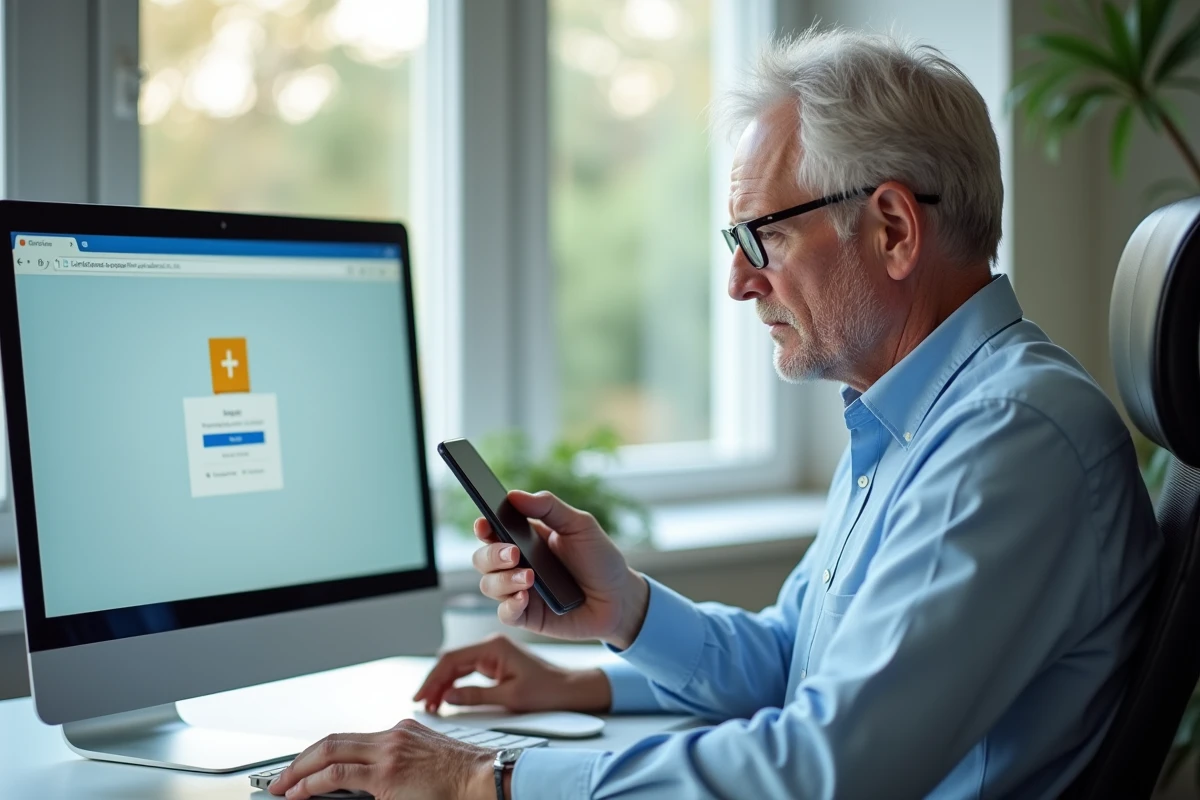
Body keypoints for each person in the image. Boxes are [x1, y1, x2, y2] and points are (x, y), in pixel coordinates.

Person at [269, 27, 1161, 800]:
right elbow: (797, 663)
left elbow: (823, 769)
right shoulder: (920, 415)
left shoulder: (1008, 439)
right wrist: (620, 619)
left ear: (892, 227)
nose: (739, 282)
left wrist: (483, 780)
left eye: (758, 236)